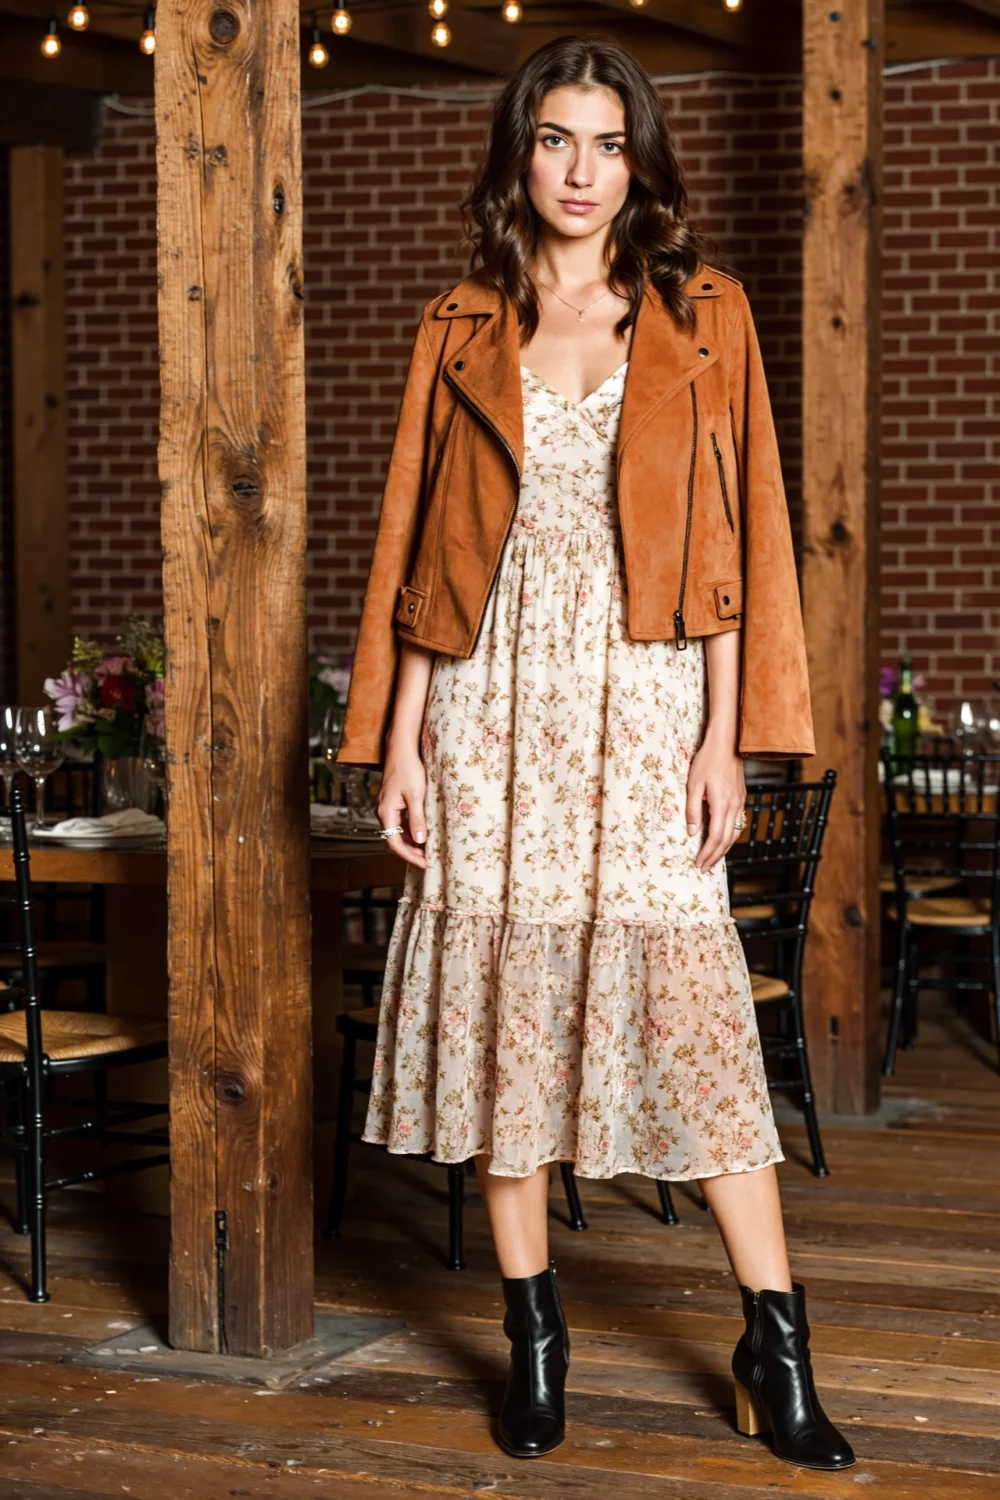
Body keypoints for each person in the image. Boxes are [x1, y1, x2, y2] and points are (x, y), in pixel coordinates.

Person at [336, 34, 853, 1473]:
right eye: (556, 141)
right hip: (492, 707)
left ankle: (776, 1337)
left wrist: (725, 738)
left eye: (607, 144)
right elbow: (423, 552)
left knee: (695, 1018)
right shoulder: (460, 323)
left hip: (644, 702)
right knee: (506, 1015)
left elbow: (743, 529)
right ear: (521, 153)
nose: (579, 171)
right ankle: (535, 1339)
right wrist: (404, 739)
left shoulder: (704, 313)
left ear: (640, 160)